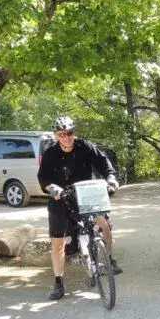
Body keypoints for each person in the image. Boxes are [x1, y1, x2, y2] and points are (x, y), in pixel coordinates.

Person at [37, 116, 122, 301]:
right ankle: (58, 282)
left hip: (86, 194)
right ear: (56, 136)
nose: (66, 137)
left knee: (105, 225)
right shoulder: (50, 153)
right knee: (58, 242)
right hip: (61, 198)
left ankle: (108, 260)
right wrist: (53, 189)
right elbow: (43, 178)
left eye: (69, 133)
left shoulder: (85, 147)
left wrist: (112, 179)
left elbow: (104, 164)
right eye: (62, 134)